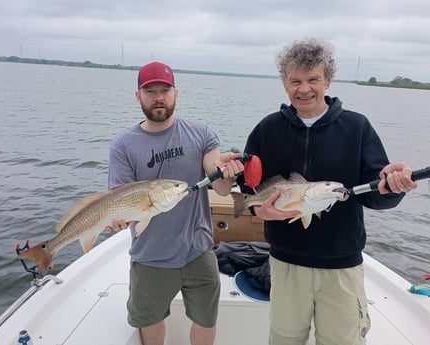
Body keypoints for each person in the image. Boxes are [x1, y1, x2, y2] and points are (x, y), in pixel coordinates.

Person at [236, 38, 418, 345]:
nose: (304, 89)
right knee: (283, 339)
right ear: (285, 83)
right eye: (295, 81)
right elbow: (249, 185)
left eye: (313, 80)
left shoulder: (357, 128)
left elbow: (375, 192)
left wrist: (393, 187)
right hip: (285, 263)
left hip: (341, 266)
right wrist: (257, 210)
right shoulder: (267, 130)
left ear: (328, 80)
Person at [106, 61, 244, 345]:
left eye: (165, 90)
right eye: (150, 90)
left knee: (206, 320)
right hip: (150, 255)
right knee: (151, 322)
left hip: (198, 250)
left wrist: (224, 171)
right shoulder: (123, 145)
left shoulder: (201, 134)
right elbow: (119, 198)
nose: (158, 97)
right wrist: (117, 218)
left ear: (176, 94)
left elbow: (217, 184)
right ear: (138, 96)